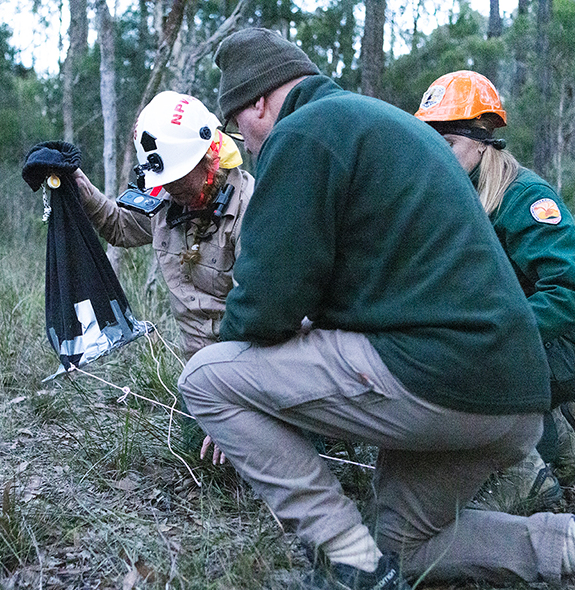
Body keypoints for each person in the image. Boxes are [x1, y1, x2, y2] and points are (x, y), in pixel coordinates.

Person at [177, 27, 575, 590]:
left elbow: (268, 302)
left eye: (235, 118)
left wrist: (235, 373)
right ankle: (564, 548)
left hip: (438, 376)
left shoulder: (303, 134)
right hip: (514, 397)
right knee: (410, 547)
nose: (239, 134)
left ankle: (351, 562)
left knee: (206, 378)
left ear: (259, 101)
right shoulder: (387, 126)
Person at [415, 70, 575, 513]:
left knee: (468, 367)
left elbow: (567, 289)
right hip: (511, 338)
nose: (436, 155)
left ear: (482, 139)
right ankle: (555, 446)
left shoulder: (524, 197)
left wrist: (498, 334)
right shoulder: (452, 195)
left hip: (556, 338)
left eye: (446, 144)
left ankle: (525, 480)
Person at [74, 91, 254, 464]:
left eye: (176, 178)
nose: (169, 188)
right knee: (199, 454)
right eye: (164, 180)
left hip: (255, 371)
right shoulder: (166, 199)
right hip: (202, 374)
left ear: (207, 159)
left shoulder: (252, 207)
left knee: (252, 456)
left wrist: (236, 406)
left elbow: (256, 318)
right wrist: (80, 188)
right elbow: (121, 227)